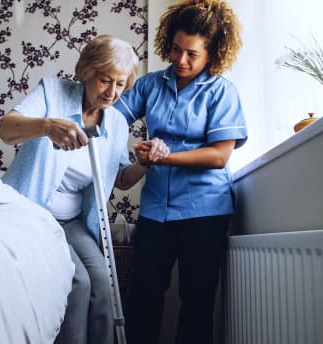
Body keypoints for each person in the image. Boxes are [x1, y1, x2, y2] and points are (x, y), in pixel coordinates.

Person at [0, 34, 169, 344]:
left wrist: (145, 163)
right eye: (105, 80)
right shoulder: (52, 93)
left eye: (120, 84)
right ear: (87, 71)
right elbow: (6, 129)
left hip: (73, 221)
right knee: (77, 282)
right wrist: (48, 125)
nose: (112, 92)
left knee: (102, 282)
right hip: (33, 214)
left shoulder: (116, 123)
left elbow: (121, 179)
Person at [113, 1, 248, 343]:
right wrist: (137, 152)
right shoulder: (150, 84)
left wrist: (164, 156)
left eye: (192, 53)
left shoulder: (222, 92)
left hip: (205, 210)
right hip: (156, 210)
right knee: (143, 298)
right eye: (175, 49)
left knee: (197, 303)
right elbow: (112, 118)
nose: (180, 60)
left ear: (212, 54)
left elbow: (220, 155)